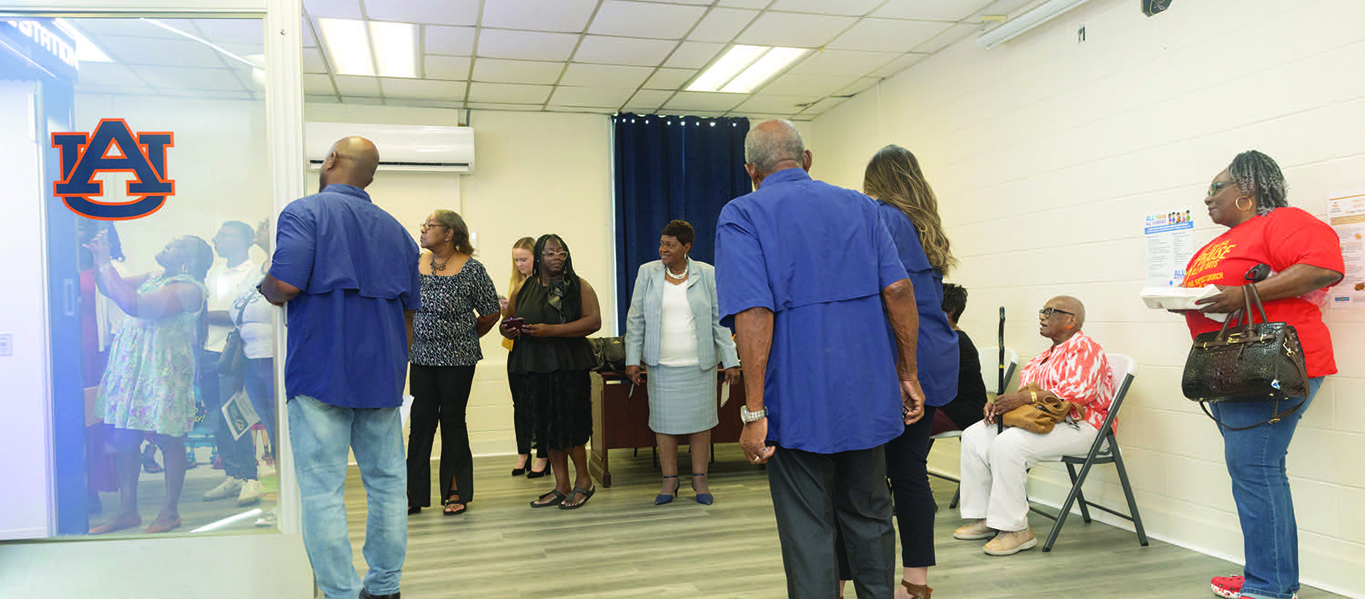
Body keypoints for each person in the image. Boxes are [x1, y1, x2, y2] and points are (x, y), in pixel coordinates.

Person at [714, 119, 925, 599]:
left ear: (751, 170)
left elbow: (753, 313)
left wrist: (754, 412)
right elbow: (898, 289)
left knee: (808, 528)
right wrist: (908, 373)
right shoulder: (862, 206)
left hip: (796, 400)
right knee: (871, 514)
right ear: (807, 159)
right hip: (867, 395)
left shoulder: (742, 214)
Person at [1177, 151, 1342, 599]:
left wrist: (1243, 294)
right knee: (1256, 470)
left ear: (1247, 192)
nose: (1207, 197)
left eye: (1217, 188)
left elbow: (1323, 267)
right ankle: (1271, 578)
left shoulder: (1284, 222)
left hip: (1274, 365)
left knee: (1255, 469)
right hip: (1229, 369)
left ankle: (1269, 587)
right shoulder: (1220, 242)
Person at [259, 136, 419, 599]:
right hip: (382, 378)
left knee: (323, 490)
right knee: (388, 485)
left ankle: (341, 593)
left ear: (330, 160)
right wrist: (394, 366)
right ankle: (384, 587)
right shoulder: (398, 232)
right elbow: (409, 314)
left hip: (320, 372)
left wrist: (264, 287)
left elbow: (285, 284)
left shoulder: (304, 213)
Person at [836, 144, 959, 599]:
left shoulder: (882, 217)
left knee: (858, 476)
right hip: (935, 355)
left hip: (899, 360)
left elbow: (882, 293)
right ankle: (916, 584)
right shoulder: (926, 226)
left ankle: (839, 580)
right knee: (909, 471)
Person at [953, 296, 1113, 556]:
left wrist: (1027, 397)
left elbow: (1079, 394)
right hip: (1046, 422)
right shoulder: (1045, 356)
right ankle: (988, 517)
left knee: (1009, 444)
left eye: (1050, 312)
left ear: (1071, 320)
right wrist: (1000, 405)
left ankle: (1016, 530)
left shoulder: (1086, 348)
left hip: (1083, 425)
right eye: (1042, 311)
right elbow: (1026, 395)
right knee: (975, 434)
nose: (1042, 316)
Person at [86, 233, 214, 535]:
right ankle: (127, 511)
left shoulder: (190, 288)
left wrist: (106, 264)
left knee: (169, 439)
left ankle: (170, 513)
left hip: (162, 370)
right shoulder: (155, 276)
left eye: (178, 244)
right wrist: (99, 259)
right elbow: (108, 287)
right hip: (133, 368)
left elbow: (137, 305)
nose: (169, 242)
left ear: (190, 260)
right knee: (125, 438)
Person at [623, 220, 741, 506]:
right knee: (664, 425)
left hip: (700, 366)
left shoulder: (708, 274)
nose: (663, 249)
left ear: (686, 247)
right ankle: (669, 480)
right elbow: (636, 319)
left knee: (701, 425)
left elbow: (719, 322)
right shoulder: (647, 273)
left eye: (670, 245)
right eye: (662, 243)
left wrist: (731, 360)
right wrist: (632, 360)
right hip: (661, 366)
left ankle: (700, 479)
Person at [406, 210, 500, 516]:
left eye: (430, 225)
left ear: (449, 233)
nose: (423, 229)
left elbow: (490, 312)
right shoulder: (415, 263)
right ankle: (414, 493)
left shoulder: (472, 269)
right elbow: (406, 309)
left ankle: (456, 490)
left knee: (452, 420)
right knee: (421, 423)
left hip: (458, 358)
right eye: (423, 225)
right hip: (421, 356)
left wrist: (465, 336)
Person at [500, 234, 602, 510]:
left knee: (570, 426)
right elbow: (506, 322)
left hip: (569, 364)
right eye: (550, 253)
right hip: (534, 365)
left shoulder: (579, 285)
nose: (557, 258)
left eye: (562, 253)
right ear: (539, 257)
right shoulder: (523, 288)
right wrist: (507, 329)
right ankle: (561, 485)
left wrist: (551, 330)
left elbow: (594, 322)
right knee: (546, 428)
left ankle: (584, 481)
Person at [201, 220, 266, 507]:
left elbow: (241, 314)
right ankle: (233, 475)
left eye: (226, 236)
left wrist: (205, 316)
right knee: (216, 418)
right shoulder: (213, 273)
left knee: (236, 417)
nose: (218, 240)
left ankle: (251, 478)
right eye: (218, 235)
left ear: (245, 240)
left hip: (234, 355)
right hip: (207, 351)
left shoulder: (254, 273)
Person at [502, 236, 547, 478]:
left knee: (540, 404)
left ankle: (543, 455)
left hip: (539, 351)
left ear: (536, 258)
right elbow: (507, 324)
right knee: (520, 404)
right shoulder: (516, 284)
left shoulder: (545, 284)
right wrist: (506, 312)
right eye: (516, 260)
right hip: (517, 349)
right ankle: (523, 452)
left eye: (523, 259)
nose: (519, 265)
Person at [933, 284, 987, 435]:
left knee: (903, 422)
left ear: (951, 310)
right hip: (946, 406)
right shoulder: (944, 339)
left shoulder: (957, 342)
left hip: (961, 411)